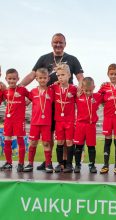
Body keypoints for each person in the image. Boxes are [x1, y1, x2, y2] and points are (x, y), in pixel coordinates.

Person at [20, 33, 84, 170]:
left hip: (65, 101)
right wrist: (18, 87)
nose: (58, 45)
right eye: (55, 42)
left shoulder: (72, 59)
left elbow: (80, 77)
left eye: (61, 42)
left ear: (65, 44)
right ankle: (47, 161)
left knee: (66, 136)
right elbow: (32, 75)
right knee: (49, 135)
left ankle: (65, 162)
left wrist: (81, 88)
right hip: (49, 102)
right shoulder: (44, 58)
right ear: (51, 43)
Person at [23, 68, 54, 173]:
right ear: (36, 79)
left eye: (44, 78)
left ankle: (48, 164)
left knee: (46, 143)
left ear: (48, 78)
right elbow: (24, 99)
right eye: (40, 78)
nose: (42, 80)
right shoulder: (32, 92)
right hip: (35, 123)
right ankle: (30, 163)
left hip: (46, 123)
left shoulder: (51, 91)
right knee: (33, 143)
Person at [0, 68, 30, 172]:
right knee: (7, 140)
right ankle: (9, 162)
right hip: (8, 120)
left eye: (14, 79)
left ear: (18, 79)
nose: (12, 81)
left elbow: (32, 96)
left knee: (20, 141)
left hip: (19, 121)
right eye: (9, 79)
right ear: (6, 79)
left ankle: (21, 163)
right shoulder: (5, 91)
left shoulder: (22, 89)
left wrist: (27, 103)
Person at [51, 64, 77, 173]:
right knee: (60, 141)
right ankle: (60, 164)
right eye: (58, 75)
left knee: (69, 142)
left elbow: (82, 94)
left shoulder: (74, 89)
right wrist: (53, 83)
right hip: (59, 120)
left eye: (63, 75)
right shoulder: (54, 87)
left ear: (69, 75)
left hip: (70, 120)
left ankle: (69, 164)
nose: (60, 77)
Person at [98, 64, 116, 175]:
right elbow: (96, 97)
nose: (113, 76)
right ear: (108, 74)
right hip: (108, 118)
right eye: (111, 74)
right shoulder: (104, 87)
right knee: (107, 141)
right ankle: (105, 165)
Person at [74, 77, 102, 174]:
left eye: (90, 90)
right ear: (82, 88)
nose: (88, 92)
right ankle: (77, 165)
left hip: (91, 126)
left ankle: (92, 164)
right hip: (80, 125)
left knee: (91, 147)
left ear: (94, 87)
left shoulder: (97, 96)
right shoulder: (77, 96)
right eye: (86, 90)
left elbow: (106, 92)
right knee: (78, 147)